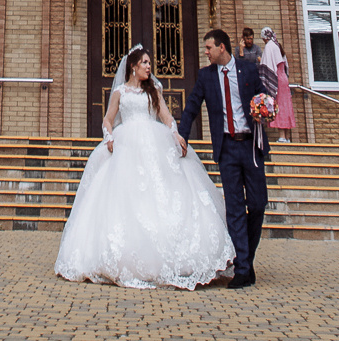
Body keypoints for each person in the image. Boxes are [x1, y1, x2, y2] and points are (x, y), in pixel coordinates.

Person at [54, 45, 235, 289]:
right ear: (133, 66)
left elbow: (165, 116)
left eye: (150, 63)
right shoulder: (120, 92)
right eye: (145, 63)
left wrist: (175, 134)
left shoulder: (155, 90)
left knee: (164, 193)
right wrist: (108, 136)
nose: (149, 67)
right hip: (127, 144)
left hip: (155, 142)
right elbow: (108, 118)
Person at [178, 28, 272, 287]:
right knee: (234, 208)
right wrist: (181, 135)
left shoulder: (249, 70)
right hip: (227, 148)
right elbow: (192, 106)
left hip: (250, 145)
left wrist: (266, 110)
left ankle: (247, 259)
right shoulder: (206, 76)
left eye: (209, 48)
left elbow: (264, 96)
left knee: (257, 203)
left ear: (222, 48)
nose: (205, 52)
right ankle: (242, 269)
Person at [257, 27, 296, 135]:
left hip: (277, 78)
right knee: (286, 105)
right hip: (283, 79)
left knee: (278, 106)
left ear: (264, 37)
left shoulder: (269, 46)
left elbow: (267, 66)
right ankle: (287, 137)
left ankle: (282, 136)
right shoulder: (277, 45)